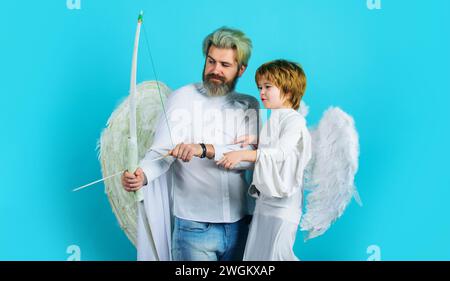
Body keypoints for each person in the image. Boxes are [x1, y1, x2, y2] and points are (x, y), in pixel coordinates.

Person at [121, 27, 259, 261]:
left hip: (241, 226)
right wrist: (141, 175)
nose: (215, 70)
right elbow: (161, 152)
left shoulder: (249, 104)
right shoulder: (182, 98)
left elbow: (251, 156)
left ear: (241, 69)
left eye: (225, 65)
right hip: (194, 230)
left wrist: (204, 149)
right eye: (211, 61)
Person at [217, 59, 312, 260]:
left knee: (277, 254)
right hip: (266, 201)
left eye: (268, 87)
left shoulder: (294, 120)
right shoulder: (275, 116)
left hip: (283, 203)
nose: (262, 92)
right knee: (257, 255)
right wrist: (255, 139)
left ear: (287, 91)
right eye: (260, 87)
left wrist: (242, 154)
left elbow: (281, 152)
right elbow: (273, 143)